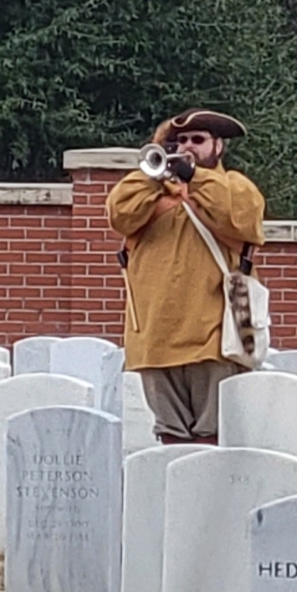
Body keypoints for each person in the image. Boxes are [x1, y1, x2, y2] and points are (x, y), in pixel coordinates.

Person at [106, 108, 266, 444]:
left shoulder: (234, 186)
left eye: (198, 139)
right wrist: (156, 173)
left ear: (218, 146)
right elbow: (119, 214)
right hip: (155, 339)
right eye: (180, 141)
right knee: (170, 437)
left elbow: (239, 216)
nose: (188, 146)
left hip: (213, 338)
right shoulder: (150, 190)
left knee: (213, 435)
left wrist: (195, 176)